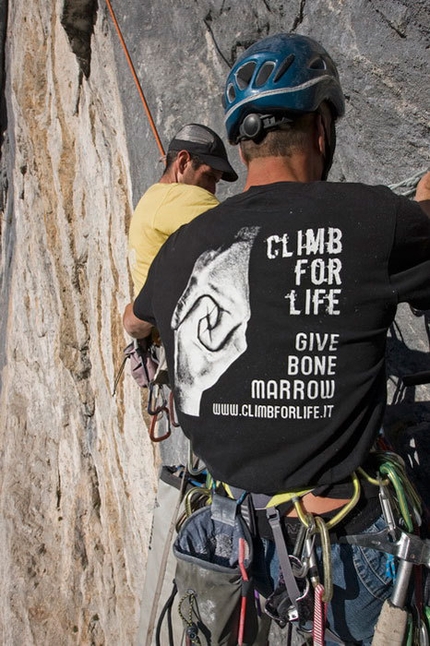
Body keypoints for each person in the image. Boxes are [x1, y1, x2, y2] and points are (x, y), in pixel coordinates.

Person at [124, 33, 430, 645]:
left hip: (229, 540)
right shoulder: (372, 220)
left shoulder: (182, 247)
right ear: (321, 127)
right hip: (343, 554)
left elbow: (134, 323)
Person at [128, 122, 238, 295]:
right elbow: (242, 232)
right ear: (183, 161)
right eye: (208, 176)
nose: (212, 190)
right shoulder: (179, 196)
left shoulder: (151, 199)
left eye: (216, 182)